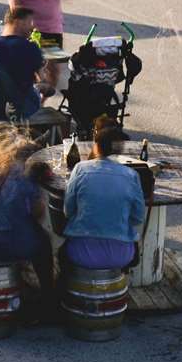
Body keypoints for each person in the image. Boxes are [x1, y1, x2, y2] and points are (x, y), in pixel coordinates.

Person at [0, 123, 54, 307]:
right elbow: (38, 214)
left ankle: (17, 279)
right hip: (14, 245)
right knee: (44, 241)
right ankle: (48, 297)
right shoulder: (24, 176)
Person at [60, 116, 147, 273]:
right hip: (122, 255)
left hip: (80, 252)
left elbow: (68, 211)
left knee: (60, 254)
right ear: (120, 151)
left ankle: (62, 293)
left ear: (96, 146)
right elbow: (137, 218)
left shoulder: (80, 169)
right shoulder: (131, 175)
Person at [0, 8, 47, 121]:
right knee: (36, 89)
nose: (32, 28)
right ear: (18, 22)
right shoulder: (30, 47)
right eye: (29, 22)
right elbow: (42, 80)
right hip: (23, 109)